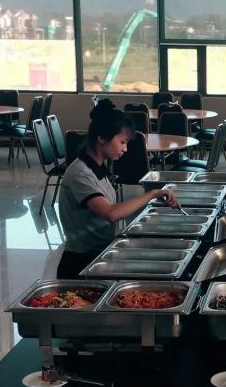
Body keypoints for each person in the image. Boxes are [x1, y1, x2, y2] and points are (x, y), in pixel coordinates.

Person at [56, 100, 178, 277]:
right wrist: (152, 193)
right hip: (80, 262)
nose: (125, 149)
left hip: (98, 253)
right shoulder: (81, 174)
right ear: (101, 138)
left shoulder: (98, 167)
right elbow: (111, 213)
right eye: (122, 142)